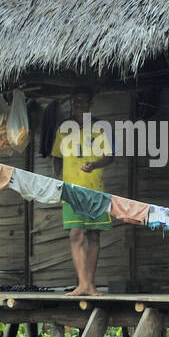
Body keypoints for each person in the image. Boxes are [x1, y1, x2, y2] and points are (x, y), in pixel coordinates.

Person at [51, 89, 113, 297]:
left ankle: (90, 284)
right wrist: (56, 177)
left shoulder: (99, 127)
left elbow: (109, 157)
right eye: (75, 100)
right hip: (71, 189)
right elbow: (57, 156)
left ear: (91, 102)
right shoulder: (64, 129)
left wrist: (94, 165)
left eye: (83, 100)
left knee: (94, 235)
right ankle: (83, 284)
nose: (78, 104)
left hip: (94, 188)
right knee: (75, 234)